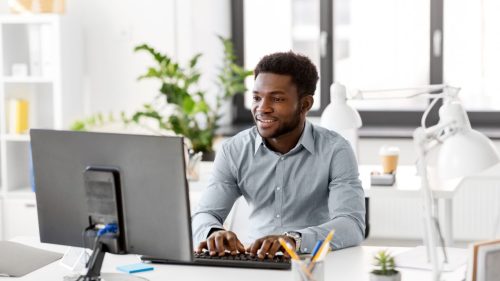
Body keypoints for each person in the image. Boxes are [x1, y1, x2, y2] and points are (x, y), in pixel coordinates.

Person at [192, 51, 365, 259]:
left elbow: (351, 224)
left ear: (305, 104)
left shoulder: (335, 150)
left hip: (313, 263)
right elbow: (204, 214)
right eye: (257, 97)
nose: (262, 108)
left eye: (277, 99)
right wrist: (213, 232)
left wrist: (293, 240)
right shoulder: (234, 150)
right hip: (254, 262)